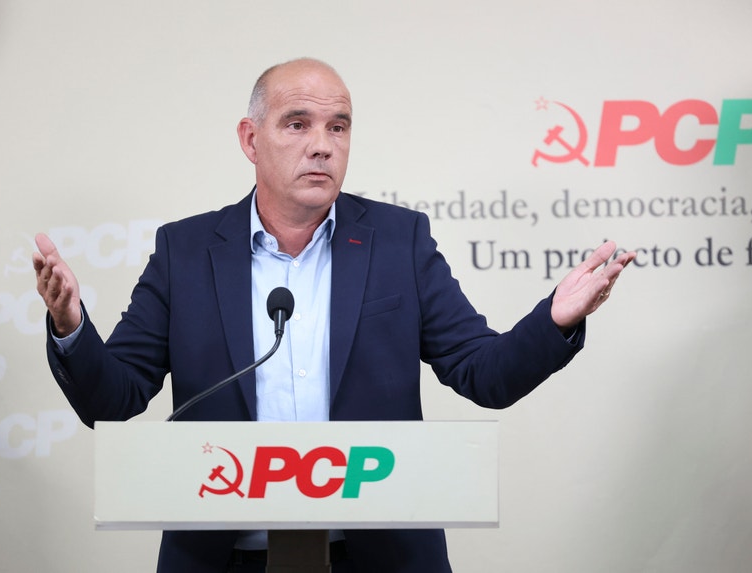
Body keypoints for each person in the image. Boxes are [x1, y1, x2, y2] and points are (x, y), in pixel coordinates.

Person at [33, 58, 635, 573]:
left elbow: (485, 373)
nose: (322, 144)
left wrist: (554, 320)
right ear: (250, 140)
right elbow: (114, 399)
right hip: (225, 557)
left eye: (338, 126)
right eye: (297, 124)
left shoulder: (399, 241)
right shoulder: (185, 251)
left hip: (379, 555)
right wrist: (70, 326)